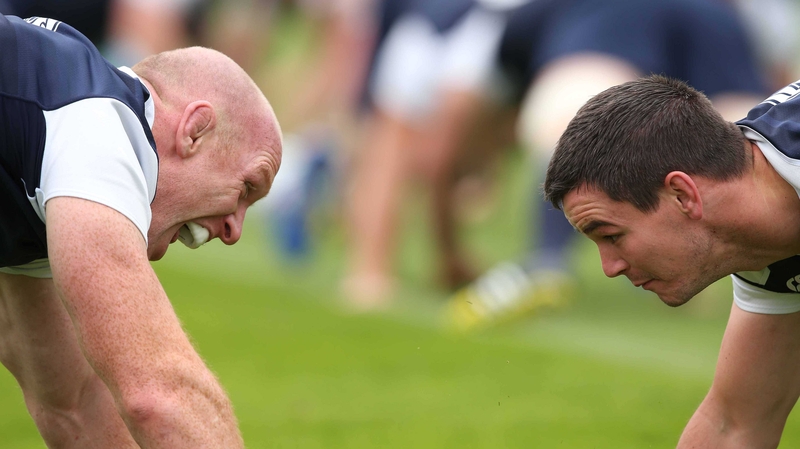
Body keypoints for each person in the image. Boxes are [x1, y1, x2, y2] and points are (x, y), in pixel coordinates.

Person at [0, 13, 281, 448]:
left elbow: (73, 404)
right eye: (246, 187)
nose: (233, 231)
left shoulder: (52, 156)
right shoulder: (97, 129)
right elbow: (161, 395)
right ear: (195, 130)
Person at [446, 0, 770, 331]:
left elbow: (751, 118)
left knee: (751, 147)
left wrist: (476, 168)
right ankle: (550, 264)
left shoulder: (712, 13)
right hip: (617, 73)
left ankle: (548, 262)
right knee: (575, 107)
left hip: (662, 85)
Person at [544, 74, 800, 447]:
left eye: (612, 236)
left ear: (682, 195)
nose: (609, 268)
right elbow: (734, 425)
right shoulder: (757, 228)